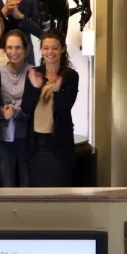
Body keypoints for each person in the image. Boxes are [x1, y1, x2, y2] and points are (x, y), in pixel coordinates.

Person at [21, 29, 78, 187]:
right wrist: (35, 88)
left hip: (58, 144)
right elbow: (26, 108)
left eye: (54, 48)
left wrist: (57, 90)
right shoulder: (34, 73)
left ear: (62, 49)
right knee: (37, 192)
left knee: (59, 191)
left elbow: (64, 108)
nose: (50, 52)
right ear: (41, 49)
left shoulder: (70, 76)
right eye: (46, 48)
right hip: (35, 144)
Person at [0, 29, 32, 187]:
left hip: (26, 135)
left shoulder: (33, 72)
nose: (13, 52)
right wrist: (2, 112)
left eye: (18, 47)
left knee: (26, 183)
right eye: (9, 47)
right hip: (2, 134)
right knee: (6, 182)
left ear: (25, 49)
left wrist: (17, 111)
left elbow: (35, 105)